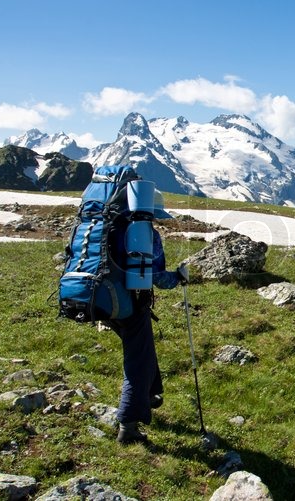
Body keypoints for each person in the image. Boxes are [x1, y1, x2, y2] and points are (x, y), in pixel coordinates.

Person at [112, 189, 188, 444]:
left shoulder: (112, 227)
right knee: (138, 363)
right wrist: (178, 276)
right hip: (130, 302)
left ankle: (152, 396)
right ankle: (128, 427)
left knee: (143, 349)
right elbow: (157, 279)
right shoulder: (145, 235)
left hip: (102, 298)